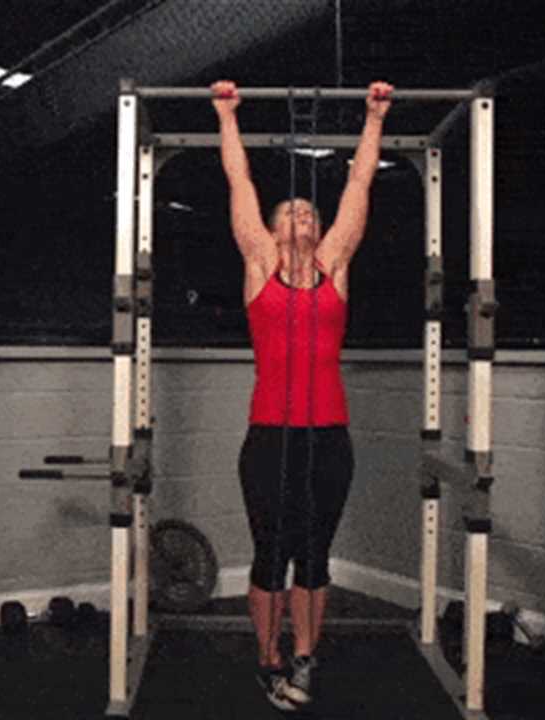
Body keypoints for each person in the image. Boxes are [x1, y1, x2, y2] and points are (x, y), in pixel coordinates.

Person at [212, 78, 393, 712]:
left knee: (315, 554)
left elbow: (357, 188)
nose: (304, 215)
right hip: (268, 436)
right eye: (290, 210)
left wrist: (374, 118)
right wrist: (226, 115)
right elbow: (240, 184)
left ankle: (308, 654)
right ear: (267, 229)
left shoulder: (334, 268)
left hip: (327, 438)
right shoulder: (259, 266)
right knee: (271, 553)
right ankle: (267, 655)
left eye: (310, 212)